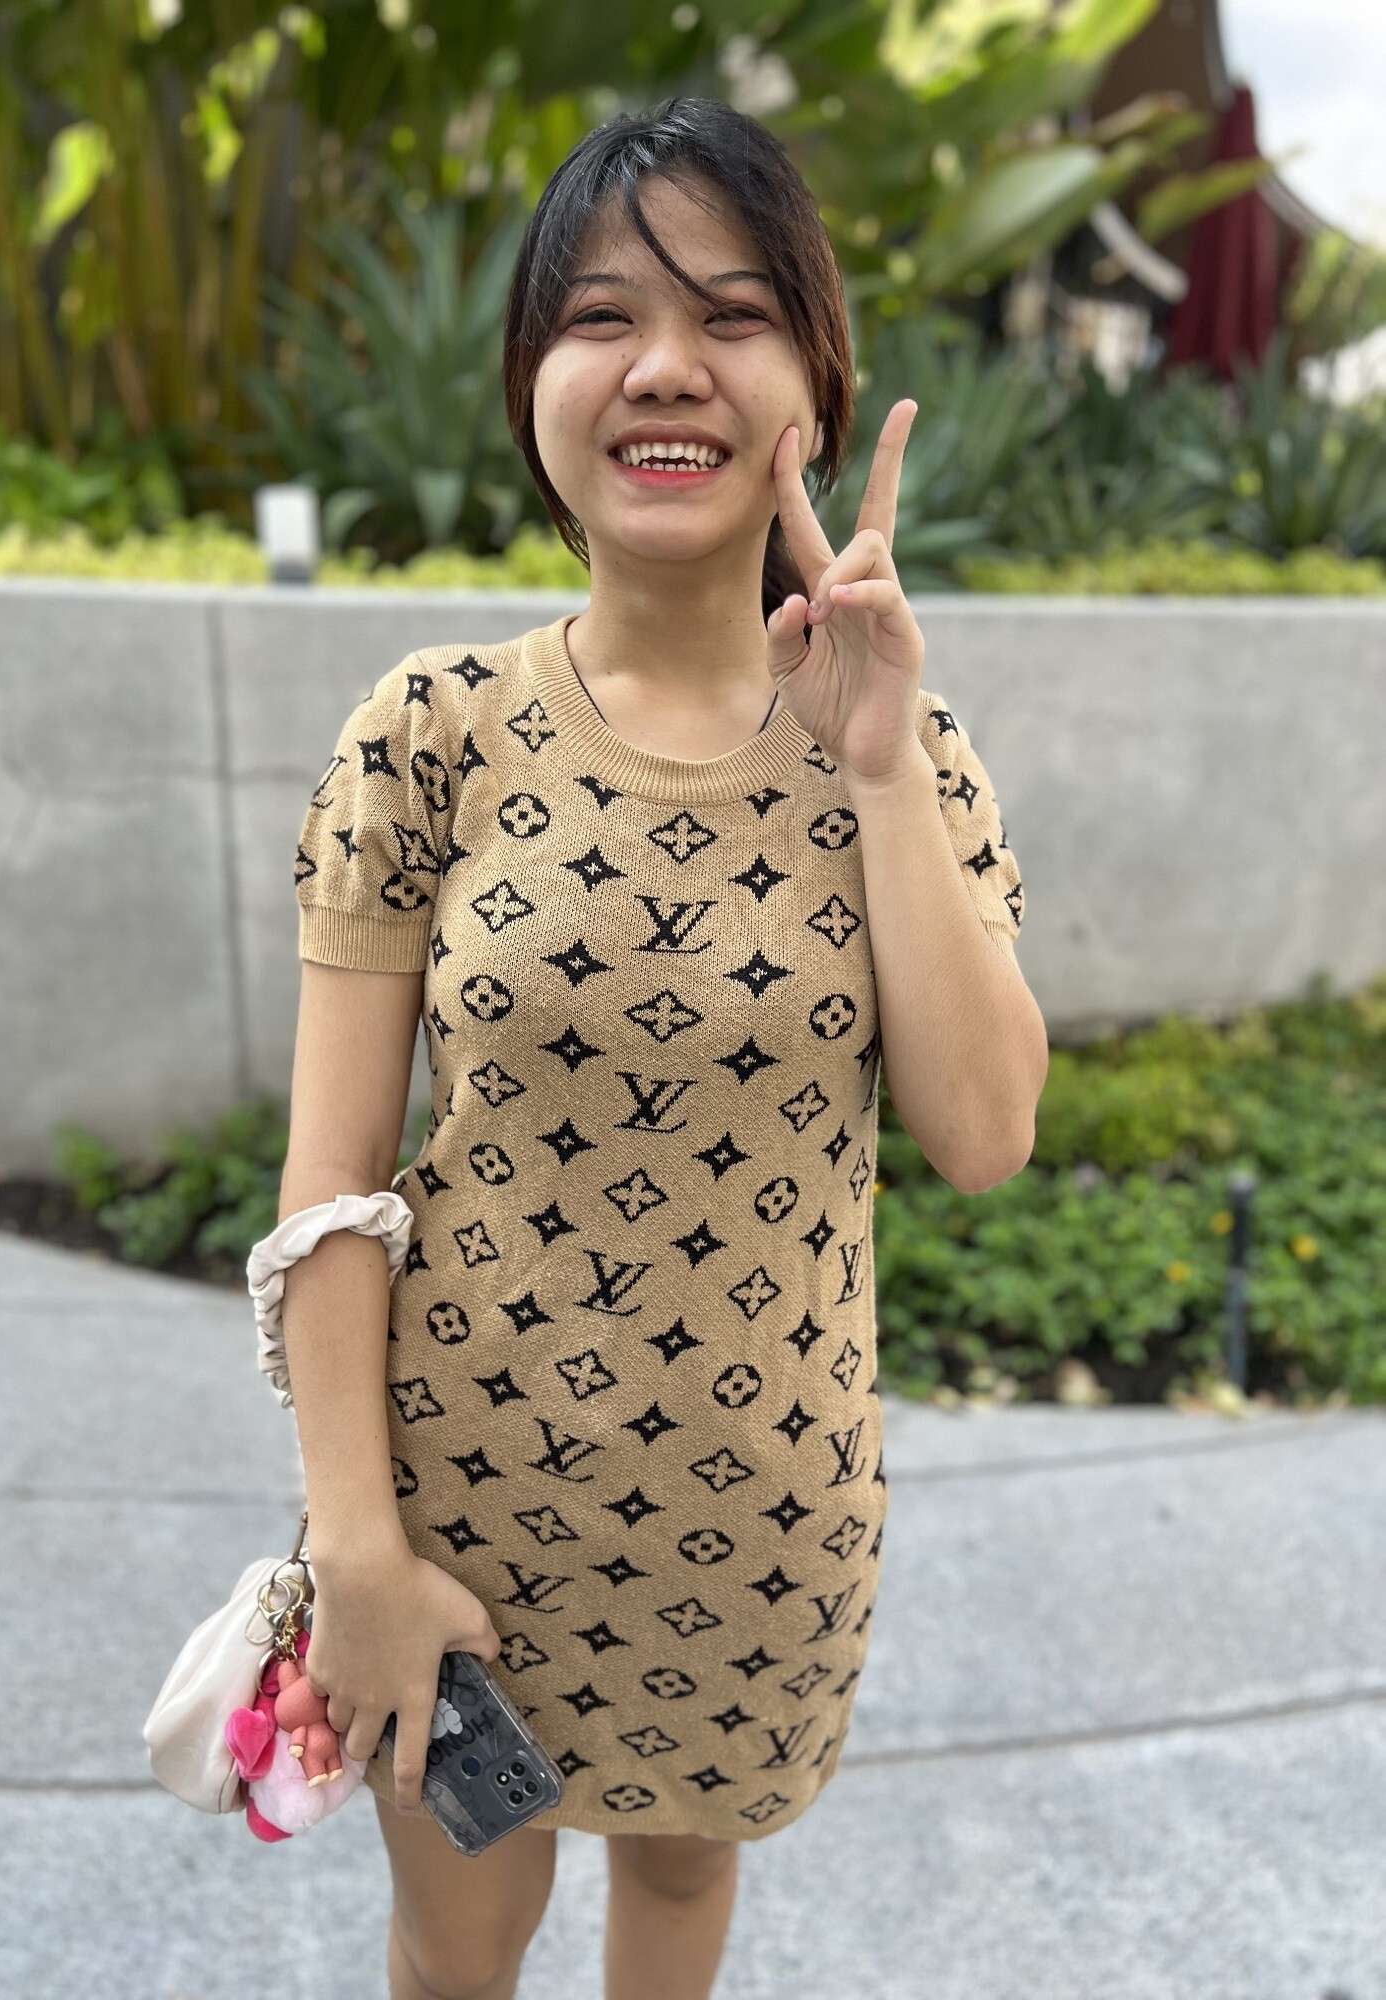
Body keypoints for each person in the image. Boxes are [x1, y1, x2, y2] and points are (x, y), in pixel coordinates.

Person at [276, 94, 1048, 2000]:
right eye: (603, 316)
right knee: (459, 1939)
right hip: (458, 1530)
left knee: (687, 1885)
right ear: (533, 382)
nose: (666, 367)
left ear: (815, 389)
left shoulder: (910, 751)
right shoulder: (433, 733)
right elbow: (331, 1187)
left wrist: (877, 766)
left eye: (733, 313)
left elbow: (982, 1135)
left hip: (761, 1536)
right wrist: (356, 1548)